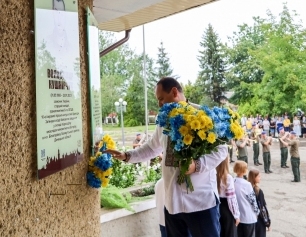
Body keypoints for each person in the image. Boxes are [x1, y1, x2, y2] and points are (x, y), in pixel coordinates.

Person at [104, 77, 227, 237]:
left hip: (200, 203)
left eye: (161, 98)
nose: (159, 104)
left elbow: (221, 150)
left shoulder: (202, 115)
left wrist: (196, 165)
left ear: (174, 92)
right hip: (172, 204)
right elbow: (152, 148)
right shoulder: (163, 121)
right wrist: (127, 156)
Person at [233, 161, 259, 237]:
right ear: (244, 171)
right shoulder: (247, 184)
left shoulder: (232, 181)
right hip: (248, 217)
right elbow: (253, 200)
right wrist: (257, 212)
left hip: (238, 216)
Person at [216, 156, 240, 237]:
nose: (229, 160)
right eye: (228, 159)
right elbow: (231, 199)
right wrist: (236, 215)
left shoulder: (214, 175)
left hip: (216, 207)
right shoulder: (227, 177)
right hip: (227, 208)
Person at [248, 169, 271, 236]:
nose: (260, 178)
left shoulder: (247, 188)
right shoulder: (258, 191)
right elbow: (262, 208)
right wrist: (267, 223)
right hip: (259, 220)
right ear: (254, 178)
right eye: (259, 176)